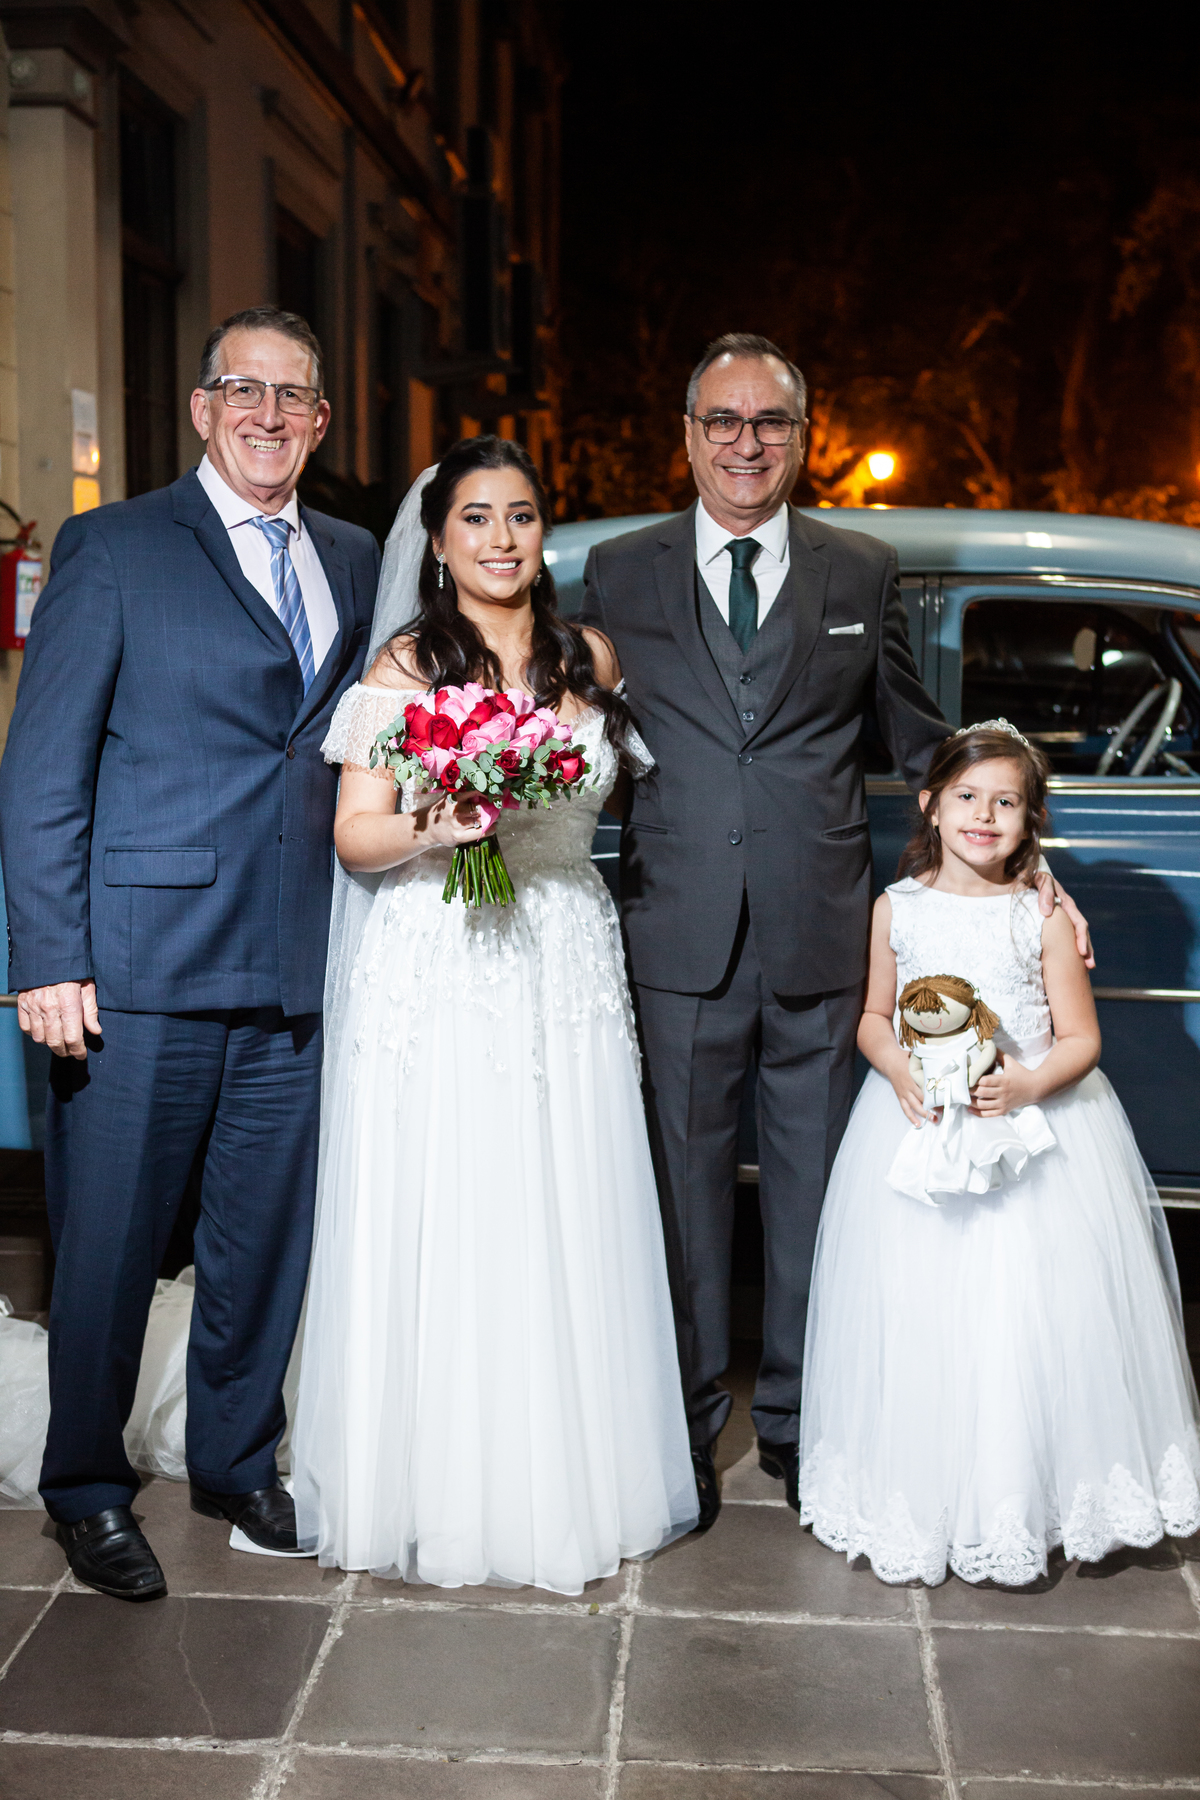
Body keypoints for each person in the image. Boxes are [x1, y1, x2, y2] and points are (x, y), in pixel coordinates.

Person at [577, 332, 1090, 1527]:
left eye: (770, 422)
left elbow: (919, 739)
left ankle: (802, 1426)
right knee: (683, 1199)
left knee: (815, 1198)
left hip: (823, 934)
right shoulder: (620, 570)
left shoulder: (859, 569)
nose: (745, 443)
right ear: (688, 434)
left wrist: (1032, 862)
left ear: (803, 438)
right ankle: (685, 1430)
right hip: (676, 929)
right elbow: (584, 731)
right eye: (722, 420)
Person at [0, 307, 378, 1598]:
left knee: (263, 1243)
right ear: (206, 408)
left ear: (320, 421)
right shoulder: (113, 547)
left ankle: (234, 1459)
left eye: (295, 396)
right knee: (108, 1247)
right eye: (244, 391)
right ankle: (86, 1488)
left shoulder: (354, 555)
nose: (270, 415)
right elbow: (42, 771)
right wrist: (48, 958)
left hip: (298, 963)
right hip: (136, 968)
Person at [290, 436, 698, 1591]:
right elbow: (356, 834)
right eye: (476, 518)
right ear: (438, 538)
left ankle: (573, 1471)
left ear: (543, 531)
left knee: (567, 1192)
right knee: (457, 1189)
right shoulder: (405, 667)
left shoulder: (589, 656)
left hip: (564, 941)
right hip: (444, 945)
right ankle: (439, 1481)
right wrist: (441, 824)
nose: (501, 538)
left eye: (520, 515)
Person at [798, 723, 1200, 1584]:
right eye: (968, 797)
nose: (984, 816)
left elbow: (1080, 1039)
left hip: (1035, 1140)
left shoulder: (1040, 916)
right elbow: (873, 1017)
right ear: (930, 805)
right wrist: (897, 1068)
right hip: (921, 1135)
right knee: (921, 1313)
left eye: (1006, 802)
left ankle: (1025, 1500)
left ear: (1030, 820)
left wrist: (1026, 1084)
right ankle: (926, 1492)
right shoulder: (898, 908)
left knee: (1026, 1317)